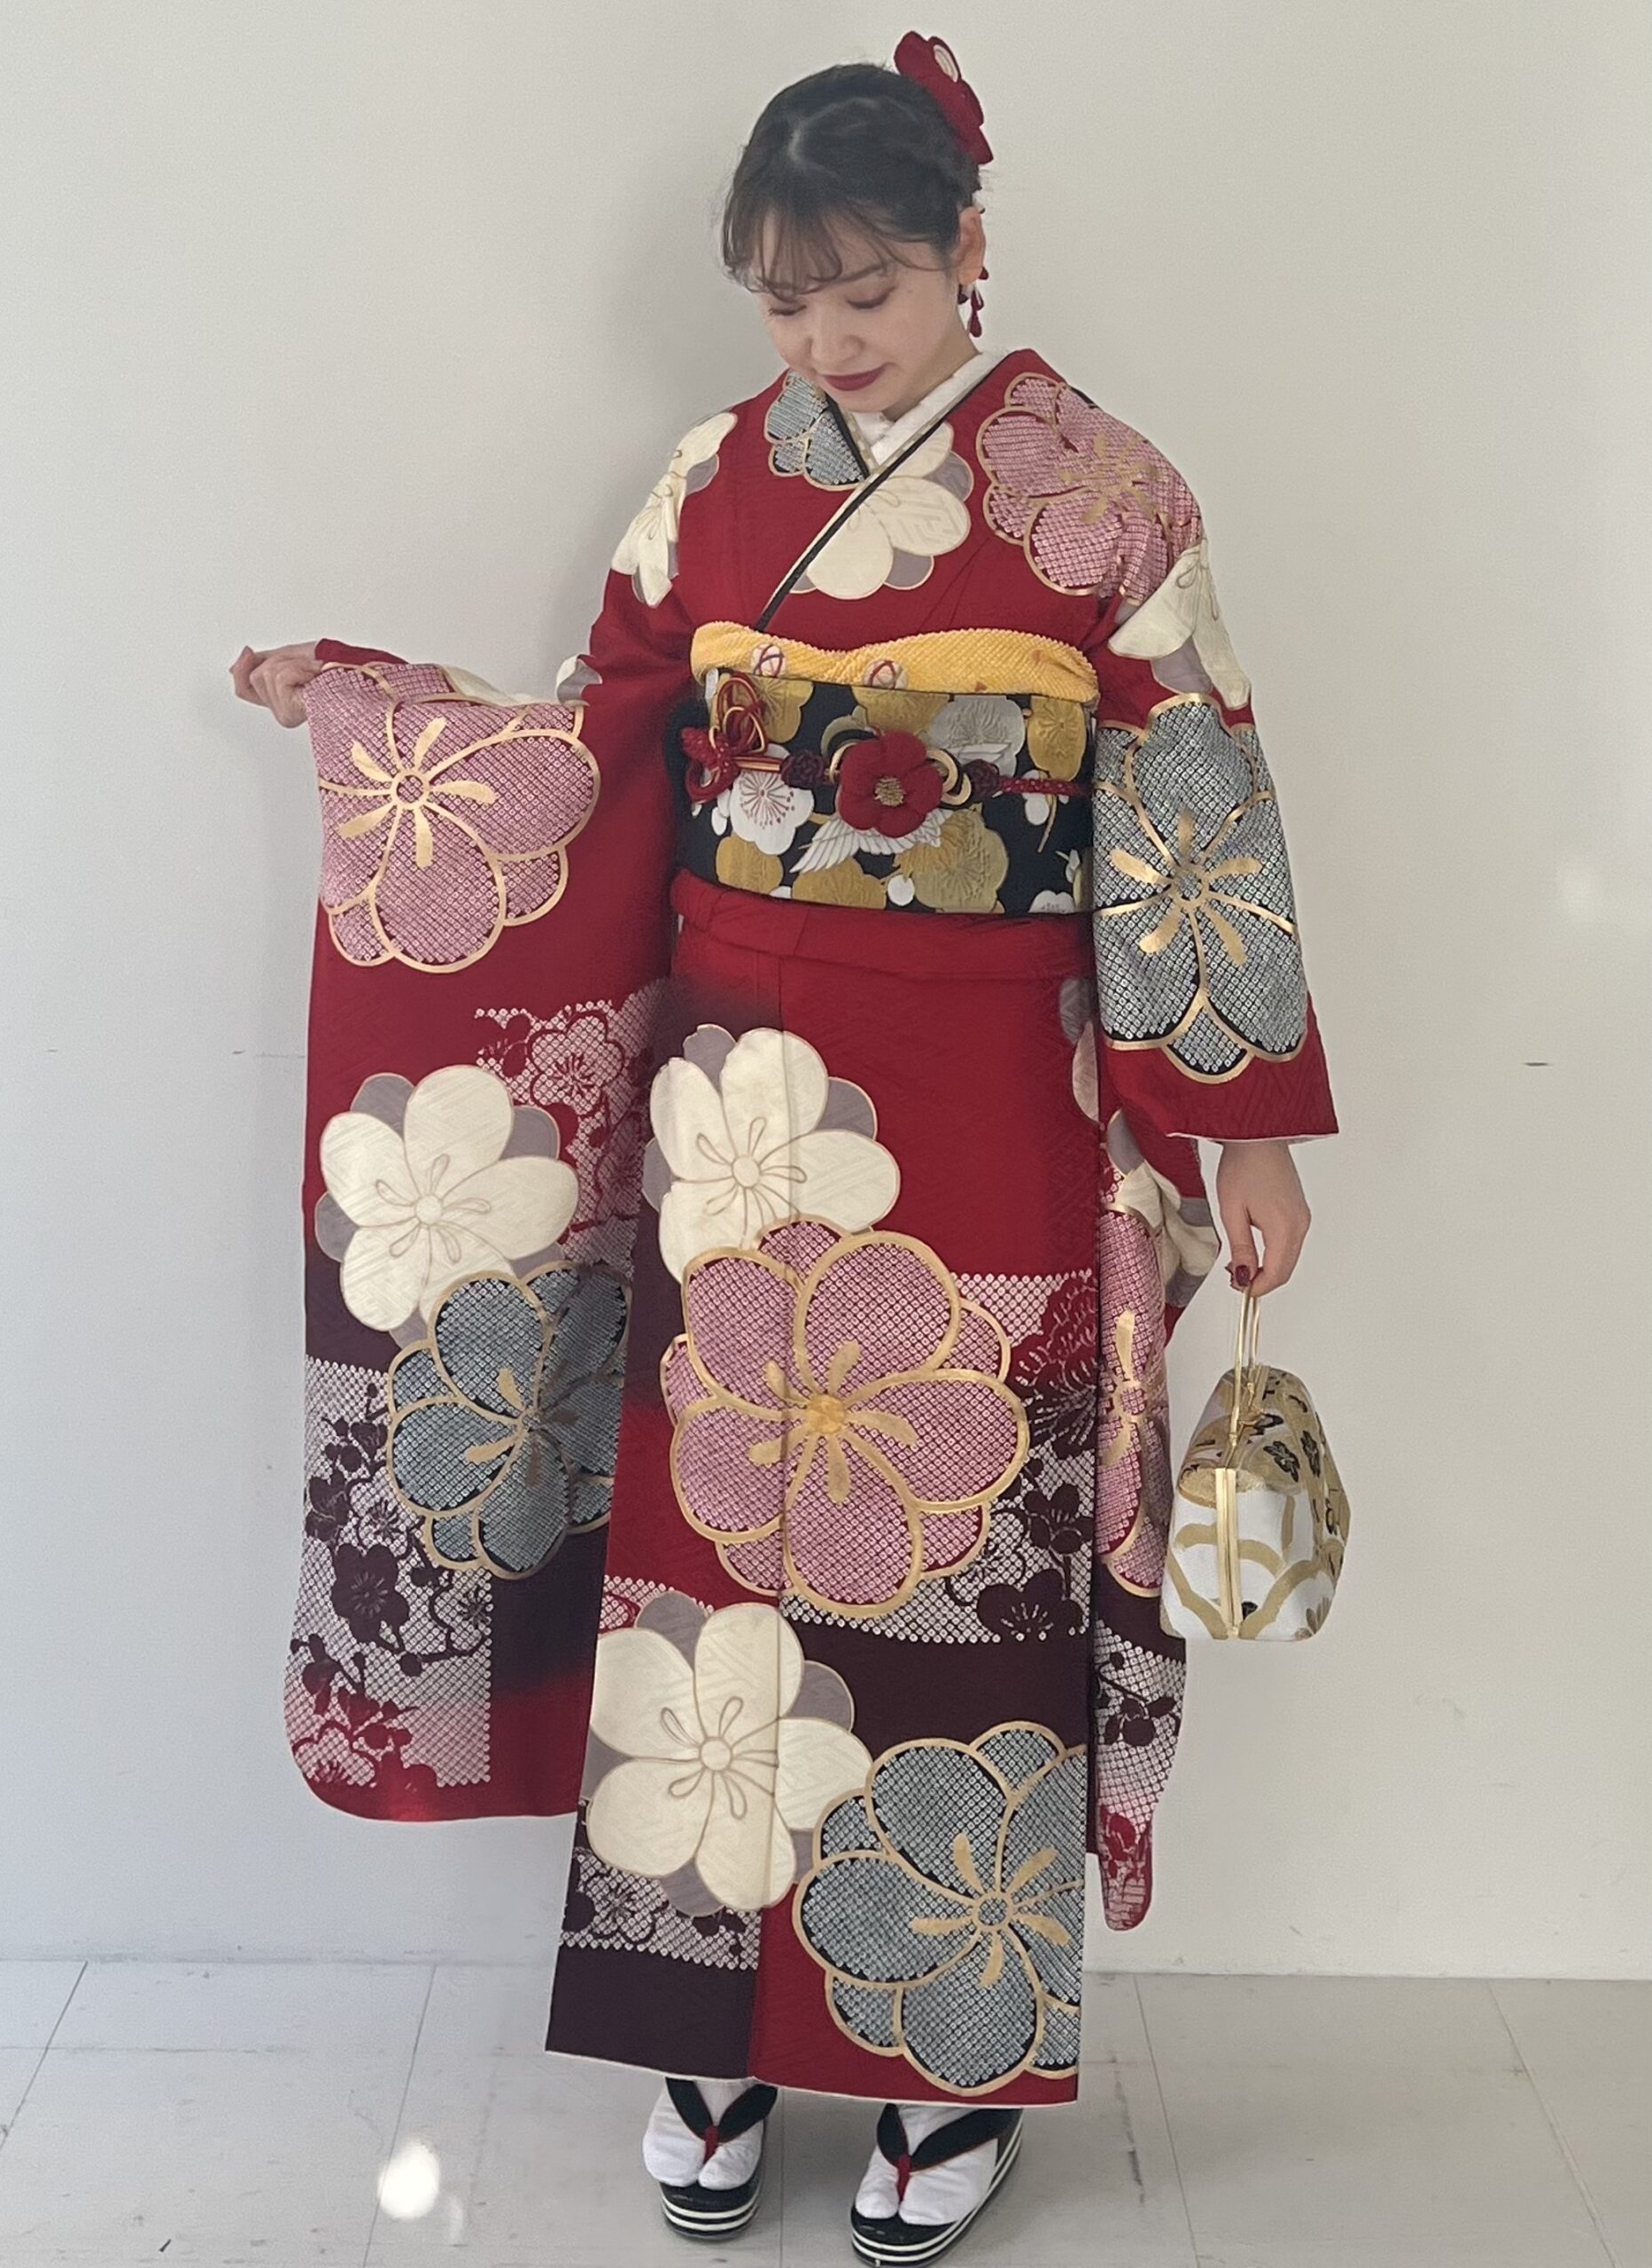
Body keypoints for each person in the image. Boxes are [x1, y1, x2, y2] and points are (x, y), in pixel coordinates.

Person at [233, 31, 1334, 2263]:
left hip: (1002, 1086)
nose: (826, 342)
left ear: (965, 248)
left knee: (966, 1553)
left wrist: (1237, 1126)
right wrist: (388, 730)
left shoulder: (1106, 495)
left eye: (869, 293)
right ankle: (706, 2035)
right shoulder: (714, 482)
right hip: (745, 1104)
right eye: (786, 302)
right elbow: (602, 745)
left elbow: (1193, 797)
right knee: (716, 1552)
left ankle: (947, 2059)